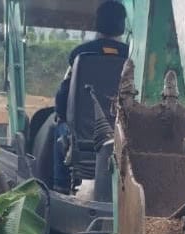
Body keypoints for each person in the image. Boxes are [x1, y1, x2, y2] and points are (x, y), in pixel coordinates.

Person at [52, 0, 128, 192]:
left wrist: (61, 115)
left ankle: (60, 186)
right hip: (123, 138)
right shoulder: (132, 57)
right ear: (123, 25)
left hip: (83, 141)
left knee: (59, 130)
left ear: (97, 23)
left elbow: (62, 98)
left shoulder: (80, 54)